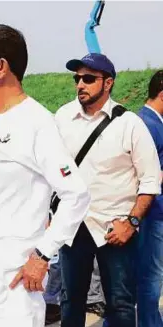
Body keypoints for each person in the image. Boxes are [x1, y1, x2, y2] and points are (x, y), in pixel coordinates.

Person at [0, 24, 91, 327]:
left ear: (1, 66)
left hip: (13, 279)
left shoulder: (36, 123)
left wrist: (42, 256)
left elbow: (76, 195)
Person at [54, 53, 161, 327]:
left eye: (89, 78)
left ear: (108, 83)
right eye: (77, 78)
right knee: (70, 302)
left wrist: (132, 222)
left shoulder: (129, 124)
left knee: (121, 304)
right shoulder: (63, 118)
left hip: (115, 228)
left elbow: (150, 181)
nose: (80, 84)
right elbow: (51, 170)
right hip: (73, 225)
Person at [137, 69, 163, 327]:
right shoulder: (147, 124)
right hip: (151, 214)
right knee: (150, 277)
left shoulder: (152, 122)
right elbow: (144, 173)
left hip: (155, 212)